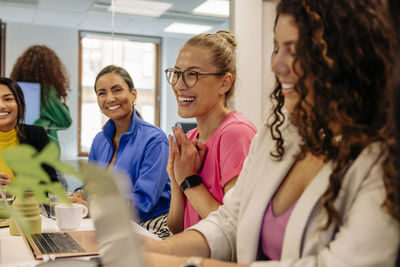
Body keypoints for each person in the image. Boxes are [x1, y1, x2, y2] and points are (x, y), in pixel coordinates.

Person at [144, 0, 400, 266]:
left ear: (347, 57)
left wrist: (183, 263)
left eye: (296, 50)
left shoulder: (382, 160)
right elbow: (230, 221)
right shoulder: (276, 135)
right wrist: (159, 250)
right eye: (277, 48)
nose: (277, 64)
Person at [165, 30, 257, 234]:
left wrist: (189, 180)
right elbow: (176, 227)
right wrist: (175, 178)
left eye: (192, 75)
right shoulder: (190, 139)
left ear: (224, 83)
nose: (179, 85)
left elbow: (235, 228)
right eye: (177, 73)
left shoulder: (236, 133)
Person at [89, 65, 171, 238]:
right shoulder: (99, 141)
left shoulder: (155, 140)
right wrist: (79, 194)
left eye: (117, 90)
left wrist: (95, 204)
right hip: (110, 224)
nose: (109, 98)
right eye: (102, 93)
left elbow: (144, 202)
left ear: (133, 94)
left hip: (149, 227)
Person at [0, 78, 59, 186]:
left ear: (19, 103)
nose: (2, 106)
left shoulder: (36, 135)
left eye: (8, 99)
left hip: (26, 203)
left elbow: (51, 184)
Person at [10, 45, 72, 146]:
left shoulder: (15, 89)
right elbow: (66, 121)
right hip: (45, 146)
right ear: (51, 68)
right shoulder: (47, 92)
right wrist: (48, 122)